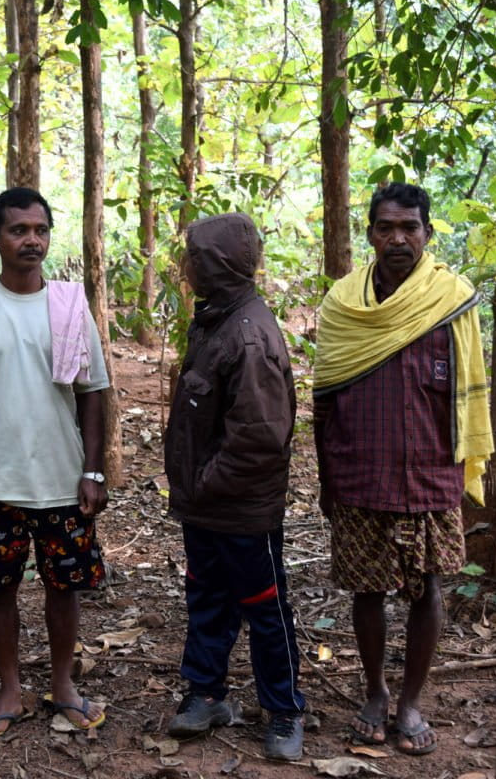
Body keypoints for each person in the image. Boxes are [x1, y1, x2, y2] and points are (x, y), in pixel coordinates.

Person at [313, 183, 492, 756]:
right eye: (386, 227)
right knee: (367, 589)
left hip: (431, 471)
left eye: (409, 228)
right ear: (369, 233)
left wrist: (466, 462)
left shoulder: (451, 298)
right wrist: (325, 479)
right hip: (359, 470)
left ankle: (411, 701)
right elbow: (324, 397)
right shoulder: (344, 305)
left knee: (428, 587)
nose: (398, 238)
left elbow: (470, 390)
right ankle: (374, 692)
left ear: (427, 234)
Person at [0, 187, 110, 737]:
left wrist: (92, 469)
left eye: (39, 230)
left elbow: (92, 392)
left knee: (64, 587)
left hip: (62, 478)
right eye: (18, 230)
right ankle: (10, 689)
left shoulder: (69, 305)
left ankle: (62, 684)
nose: (31, 240)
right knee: (0, 587)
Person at [162, 213, 306, 761]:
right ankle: (206, 694)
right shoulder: (215, 320)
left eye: (193, 257)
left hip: (243, 511)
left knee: (265, 609)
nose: (185, 267)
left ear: (217, 264)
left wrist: (203, 484)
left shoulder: (250, 335)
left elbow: (259, 437)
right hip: (205, 508)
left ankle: (286, 710)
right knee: (207, 599)